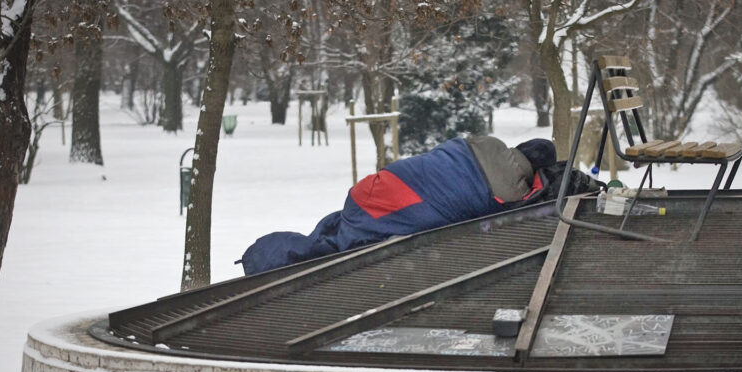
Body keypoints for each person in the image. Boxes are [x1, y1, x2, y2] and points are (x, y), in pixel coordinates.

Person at [239, 136, 589, 275]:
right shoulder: (513, 189)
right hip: (457, 161)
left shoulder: (488, 142)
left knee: (345, 229)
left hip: (383, 189)